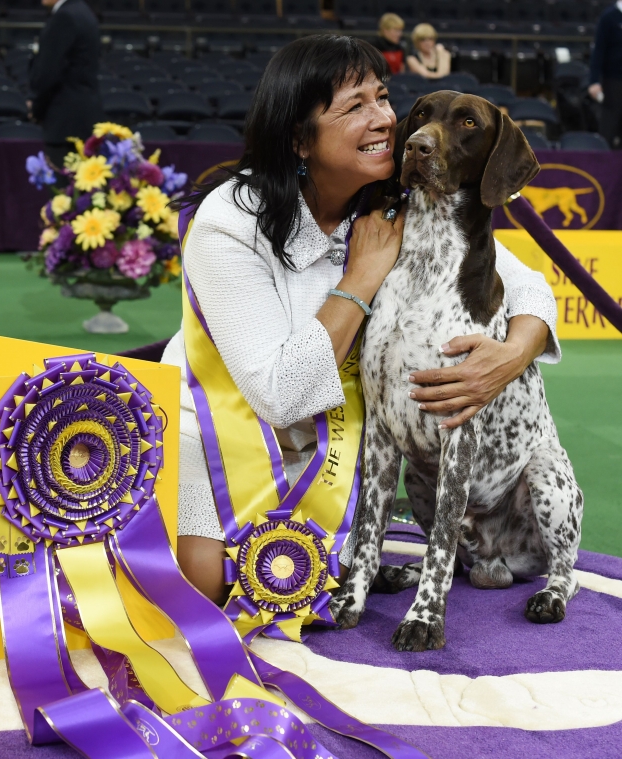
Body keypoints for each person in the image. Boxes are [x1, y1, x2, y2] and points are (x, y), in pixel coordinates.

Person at [161, 35, 561, 603]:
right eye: (354, 107)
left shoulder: (396, 194)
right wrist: (361, 278)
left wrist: (511, 356)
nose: (384, 121)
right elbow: (280, 396)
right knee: (206, 582)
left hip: (338, 452)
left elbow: (526, 285)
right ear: (300, 138)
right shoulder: (230, 221)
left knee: (311, 579)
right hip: (224, 434)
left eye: (383, 97)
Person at [29, 0, 104, 170]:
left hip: (65, 124)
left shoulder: (65, 16)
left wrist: (36, 106)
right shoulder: (84, 11)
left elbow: (48, 71)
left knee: (64, 193)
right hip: (84, 120)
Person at [589, 1, 622, 148]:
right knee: (610, 123)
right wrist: (594, 81)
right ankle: (603, 163)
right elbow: (599, 50)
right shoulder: (609, 17)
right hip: (613, 80)